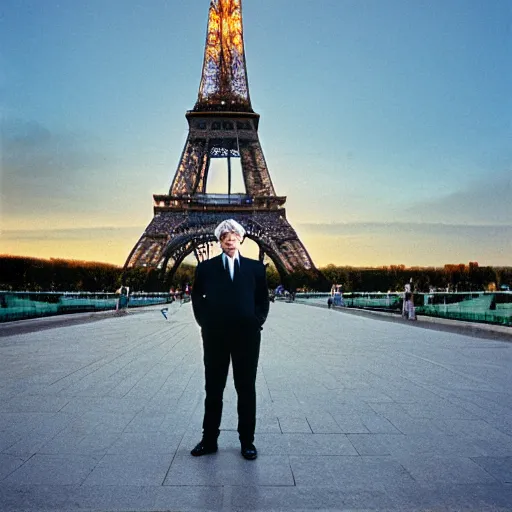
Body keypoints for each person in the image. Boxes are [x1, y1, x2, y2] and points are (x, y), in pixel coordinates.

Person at [191, 219, 269, 460]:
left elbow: (262, 300)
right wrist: (206, 323)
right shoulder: (205, 268)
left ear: (241, 238)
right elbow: (197, 299)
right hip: (215, 337)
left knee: (246, 389)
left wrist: (256, 321)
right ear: (220, 240)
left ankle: (247, 441)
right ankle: (209, 439)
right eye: (225, 235)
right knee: (213, 388)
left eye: (234, 235)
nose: (230, 239)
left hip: (247, 337)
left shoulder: (256, 269)